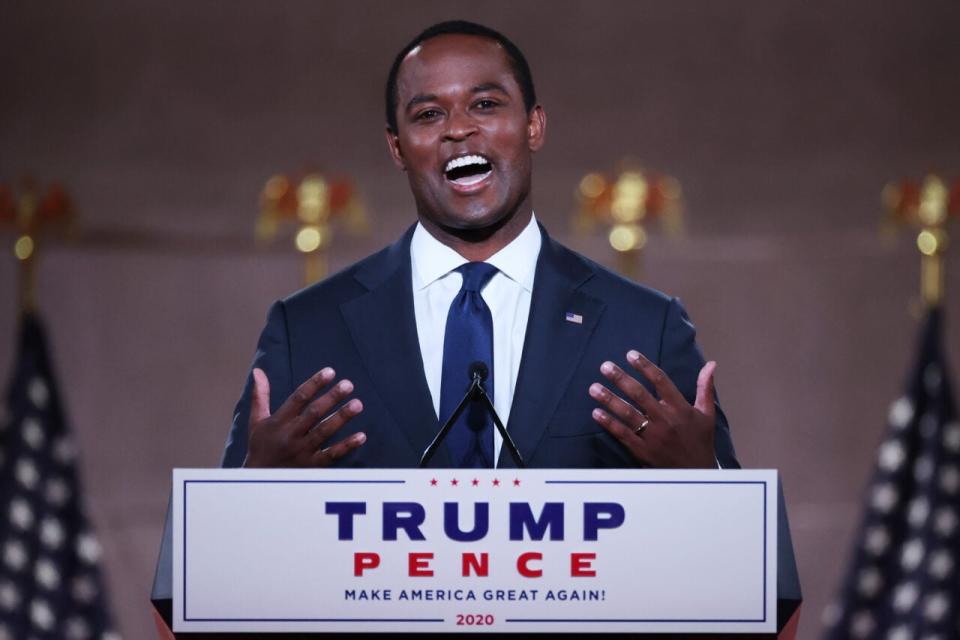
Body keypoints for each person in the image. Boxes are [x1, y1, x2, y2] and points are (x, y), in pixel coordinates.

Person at [220, 20, 738, 470]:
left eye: (485, 104)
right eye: (428, 115)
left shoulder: (644, 327)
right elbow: (199, 569)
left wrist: (705, 481)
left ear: (533, 125)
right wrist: (251, 491)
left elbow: (756, 570)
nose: (460, 130)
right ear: (396, 147)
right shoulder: (307, 329)